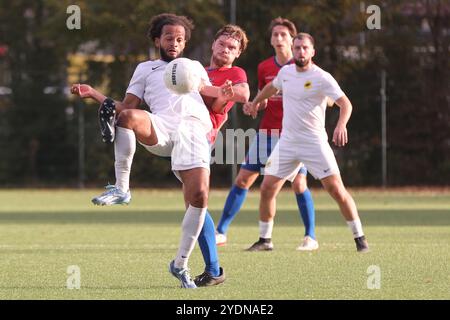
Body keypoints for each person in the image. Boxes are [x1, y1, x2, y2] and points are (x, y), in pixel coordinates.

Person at [71, 13, 234, 289]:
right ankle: (122, 188)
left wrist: (224, 94)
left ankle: (180, 265)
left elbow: (209, 94)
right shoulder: (145, 69)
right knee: (128, 117)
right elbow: (125, 105)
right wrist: (95, 94)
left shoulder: (193, 65)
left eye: (180, 39)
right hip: (161, 126)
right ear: (158, 39)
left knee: (199, 198)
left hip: (194, 130)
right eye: (169, 37)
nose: (174, 42)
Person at [244, 33, 369, 253]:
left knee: (336, 190)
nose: (301, 52)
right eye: (297, 48)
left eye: (305, 48)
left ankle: (360, 238)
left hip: (314, 142)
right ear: (293, 50)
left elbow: (345, 104)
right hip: (288, 143)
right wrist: (255, 102)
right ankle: (265, 240)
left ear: (313, 51)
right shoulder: (286, 73)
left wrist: (341, 125)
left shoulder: (322, 77)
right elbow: (271, 87)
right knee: (266, 188)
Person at [215, 17, 318, 251]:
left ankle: (310, 236)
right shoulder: (265, 67)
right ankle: (221, 231)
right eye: (275, 35)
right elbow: (263, 96)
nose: (279, 38)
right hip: (267, 132)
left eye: (284, 34)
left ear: (293, 40)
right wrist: (254, 104)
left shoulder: (302, 67)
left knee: (299, 183)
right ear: (270, 40)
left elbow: (317, 95)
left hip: (293, 135)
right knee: (243, 179)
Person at [194, 24, 250, 286]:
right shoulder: (199, 71)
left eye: (233, 48)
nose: (226, 50)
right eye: (223, 44)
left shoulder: (234, 72)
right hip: (181, 135)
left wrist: (206, 90)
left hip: (202, 139)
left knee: (196, 202)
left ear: (237, 54)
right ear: (213, 44)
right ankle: (208, 267)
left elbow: (242, 93)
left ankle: (212, 268)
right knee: (193, 203)